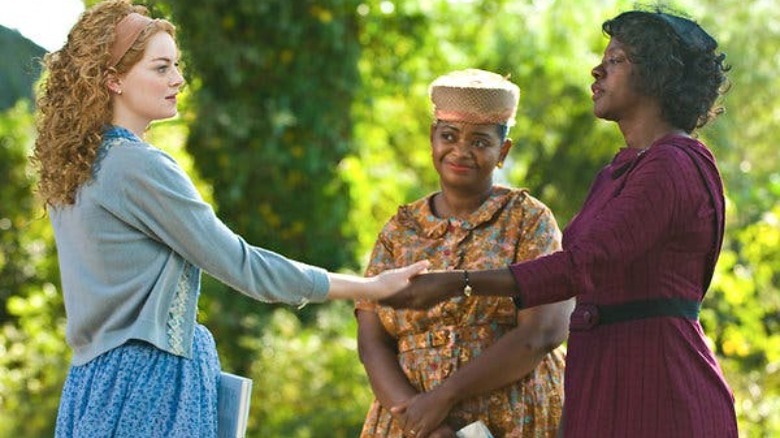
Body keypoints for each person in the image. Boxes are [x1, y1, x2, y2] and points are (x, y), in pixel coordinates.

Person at [31, 1, 428, 436]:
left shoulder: (77, 166)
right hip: (151, 382)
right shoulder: (136, 166)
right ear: (113, 80)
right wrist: (369, 287)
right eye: (161, 68)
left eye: (176, 65)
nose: (178, 79)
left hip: (94, 384)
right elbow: (244, 267)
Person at [380, 8, 738, 438]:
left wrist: (458, 282)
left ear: (658, 76)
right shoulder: (617, 172)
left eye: (617, 59)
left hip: (659, 387)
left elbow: (581, 264)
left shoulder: (674, 164)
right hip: (603, 382)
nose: (597, 69)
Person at [355, 69, 574, 438]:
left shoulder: (528, 220)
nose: (460, 151)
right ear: (432, 139)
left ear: (503, 151)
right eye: (449, 136)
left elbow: (543, 331)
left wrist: (443, 397)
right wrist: (420, 419)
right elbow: (372, 340)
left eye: (480, 141)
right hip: (413, 424)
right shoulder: (399, 231)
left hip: (514, 419)